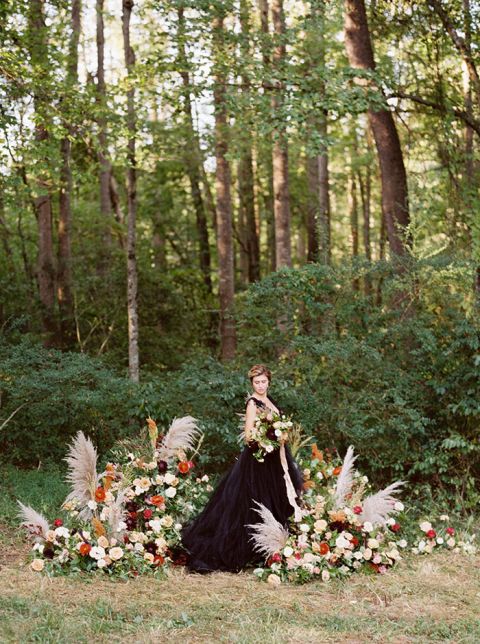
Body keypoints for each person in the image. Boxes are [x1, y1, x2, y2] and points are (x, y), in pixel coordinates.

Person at [181, 364, 303, 573]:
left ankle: (272, 546)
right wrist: (267, 436)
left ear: (269, 382)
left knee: (276, 501)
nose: (261, 385)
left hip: (275, 459)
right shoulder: (253, 403)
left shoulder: (270, 401)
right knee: (251, 502)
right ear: (252, 384)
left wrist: (280, 435)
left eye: (264, 381)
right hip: (259, 460)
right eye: (257, 382)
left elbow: (279, 426)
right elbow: (248, 436)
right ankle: (246, 549)